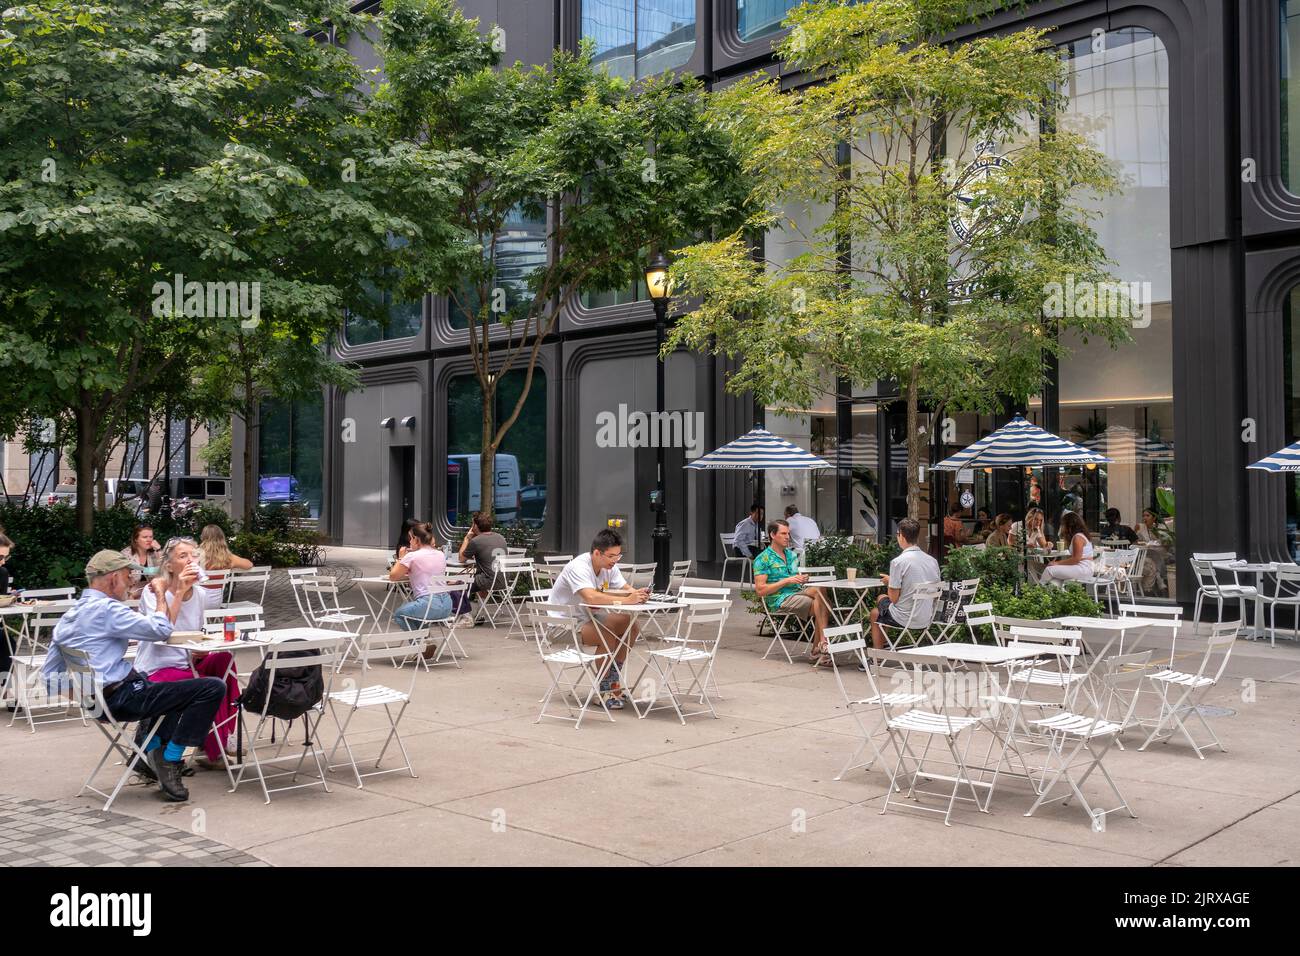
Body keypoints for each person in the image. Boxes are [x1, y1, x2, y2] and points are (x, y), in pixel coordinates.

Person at [41, 550, 224, 802]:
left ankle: (148, 751)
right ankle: (170, 758)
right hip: (125, 696)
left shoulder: (69, 617)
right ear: (114, 578)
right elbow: (161, 629)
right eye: (129, 576)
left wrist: (91, 701)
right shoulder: (108, 610)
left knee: (173, 685)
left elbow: (49, 677)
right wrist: (160, 593)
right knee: (211, 688)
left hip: (106, 701)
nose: (132, 582)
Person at [136, 536, 237, 771]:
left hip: (186, 662)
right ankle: (175, 752)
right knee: (208, 687)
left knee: (224, 661)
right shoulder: (153, 592)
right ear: (169, 565)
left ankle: (213, 743)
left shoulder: (201, 594)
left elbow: (193, 633)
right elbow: (161, 633)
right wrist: (179, 592)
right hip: (158, 666)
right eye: (183, 556)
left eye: (194, 556)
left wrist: (198, 652)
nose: (191, 560)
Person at [548, 529, 648, 710]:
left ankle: (612, 681)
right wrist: (626, 600)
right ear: (596, 553)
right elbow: (591, 598)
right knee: (607, 631)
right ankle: (604, 689)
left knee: (630, 624)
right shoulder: (578, 567)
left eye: (618, 555)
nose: (615, 560)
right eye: (611, 556)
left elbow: (626, 588)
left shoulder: (609, 567)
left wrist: (639, 594)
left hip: (588, 620)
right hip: (562, 625)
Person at [753, 519, 832, 664]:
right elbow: (760, 590)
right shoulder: (762, 559)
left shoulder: (791, 555)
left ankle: (819, 647)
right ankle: (822, 645)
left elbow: (795, 580)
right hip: (779, 599)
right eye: (783, 533)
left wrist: (802, 579)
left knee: (820, 592)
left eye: (788, 533)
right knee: (822, 603)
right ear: (772, 535)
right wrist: (786, 581)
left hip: (798, 593)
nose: (787, 537)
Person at [869, 518, 942, 650]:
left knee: (876, 612)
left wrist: (890, 582)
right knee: (882, 601)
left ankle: (877, 655)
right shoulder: (932, 561)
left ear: (901, 536)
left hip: (905, 618)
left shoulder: (898, 562)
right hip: (926, 617)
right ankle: (883, 641)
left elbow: (893, 599)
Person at [388, 522, 453, 643]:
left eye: (410, 538)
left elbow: (393, 576)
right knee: (414, 615)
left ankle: (419, 643)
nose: (409, 542)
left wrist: (401, 557)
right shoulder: (440, 554)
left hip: (429, 605)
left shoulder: (412, 556)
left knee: (399, 614)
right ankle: (425, 641)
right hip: (447, 605)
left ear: (416, 539)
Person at [458, 512, 509, 602]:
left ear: (476, 526)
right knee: (480, 577)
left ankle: (465, 614)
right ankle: (480, 613)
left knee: (458, 585)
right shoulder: (501, 537)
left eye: (473, 524)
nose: (472, 526)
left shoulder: (476, 541)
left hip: (488, 581)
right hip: (503, 581)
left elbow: (461, 558)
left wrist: (466, 539)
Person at [1040, 511, 1096, 586]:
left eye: (1063, 524)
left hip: (1083, 568)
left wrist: (1057, 563)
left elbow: (1076, 559)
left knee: (1049, 570)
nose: (1061, 527)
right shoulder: (1079, 536)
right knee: (1055, 580)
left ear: (1069, 525)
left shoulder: (1078, 537)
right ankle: (1057, 594)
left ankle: (1037, 590)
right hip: (1084, 568)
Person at [197, 524, 253, 595]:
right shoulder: (228, 557)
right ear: (222, 538)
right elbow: (249, 565)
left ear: (203, 538)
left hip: (197, 598)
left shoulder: (195, 554)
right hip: (216, 599)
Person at [120, 525, 162, 599]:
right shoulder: (125, 554)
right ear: (136, 539)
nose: (149, 540)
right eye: (145, 537)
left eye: (151, 537)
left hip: (152, 589)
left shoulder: (155, 553)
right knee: (131, 594)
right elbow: (121, 577)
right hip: (131, 590)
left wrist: (159, 550)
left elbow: (165, 570)